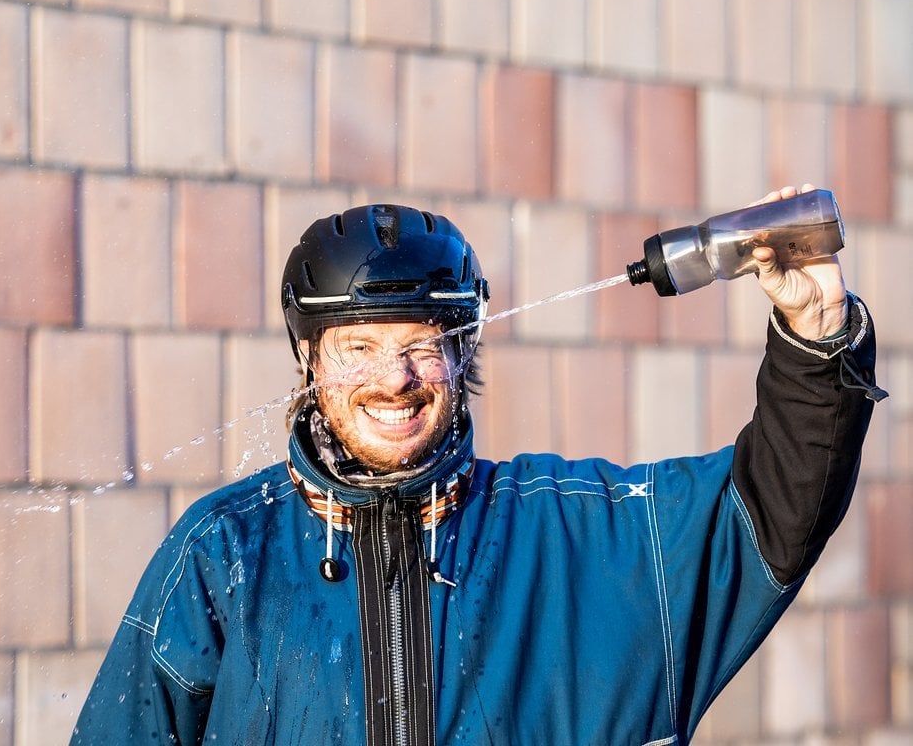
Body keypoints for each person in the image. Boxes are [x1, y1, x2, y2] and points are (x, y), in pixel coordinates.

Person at [71, 188, 885, 745]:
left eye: (423, 346)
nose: (394, 379)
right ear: (310, 363)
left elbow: (770, 512)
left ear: (463, 358)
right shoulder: (223, 557)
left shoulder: (577, 535)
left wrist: (818, 335)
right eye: (358, 348)